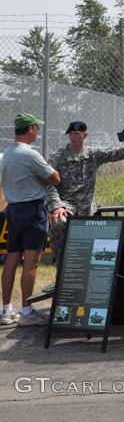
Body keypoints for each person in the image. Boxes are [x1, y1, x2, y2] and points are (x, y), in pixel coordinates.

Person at [45, 121, 124, 267]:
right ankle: (61, 268)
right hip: (66, 205)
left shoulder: (93, 154)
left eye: (77, 134)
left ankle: (93, 270)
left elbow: (117, 153)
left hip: (86, 207)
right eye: (71, 134)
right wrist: (57, 206)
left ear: (85, 135)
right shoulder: (57, 157)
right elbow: (49, 184)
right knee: (60, 223)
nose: (73, 137)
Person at [1, 113, 60, 327]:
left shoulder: (8, 152)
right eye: (37, 128)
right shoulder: (30, 154)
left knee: (11, 260)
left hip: (13, 209)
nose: (38, 132)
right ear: (31, 129)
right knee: (32, 262)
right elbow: (54, 178)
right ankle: (26, 312)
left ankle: (7, 310)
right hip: (33, 210)